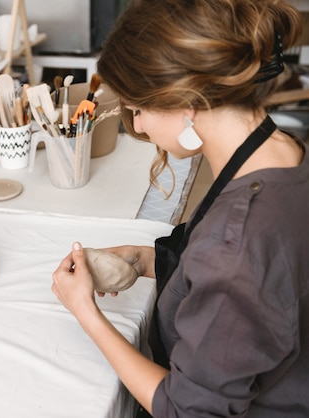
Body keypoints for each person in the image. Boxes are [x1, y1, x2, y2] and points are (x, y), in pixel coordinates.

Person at [52, 0, 309, 416]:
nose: (137, 126)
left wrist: (85, 311)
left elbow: (186, 409)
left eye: (138, 109)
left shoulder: (235, 244)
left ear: (186, 100)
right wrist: (145, 259)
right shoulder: (280, 151)